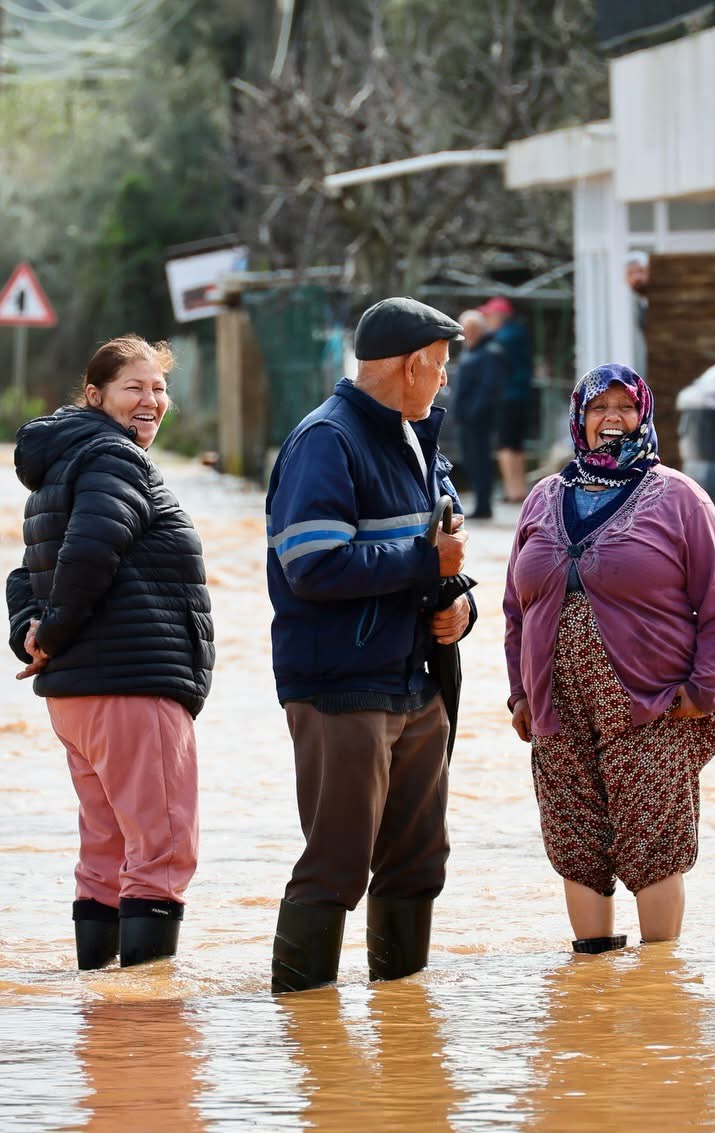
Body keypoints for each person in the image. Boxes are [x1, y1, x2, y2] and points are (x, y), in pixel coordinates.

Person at [265, 296, 475, 994]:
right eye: (439, 366)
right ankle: (307, 1038)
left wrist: (461, 605)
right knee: (336, 863)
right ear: (413, 364)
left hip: (415, 681)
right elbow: (312, 563)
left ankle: (403, 1040)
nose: (443, 380)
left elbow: (442, 550)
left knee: (419, 864)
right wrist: (427, 567)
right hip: (341, 685)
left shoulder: (415, 437)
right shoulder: (326, 441)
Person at [502, 363, 715, 954]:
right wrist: (520, 694)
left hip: (652, 705)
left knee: (652, 842)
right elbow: (514, 609)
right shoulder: (543, 497)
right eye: (598, 408)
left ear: (643, 413)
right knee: (576, 843)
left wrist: (701, 693)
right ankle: (594, 990)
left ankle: (661, 991)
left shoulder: (679, 498)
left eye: (624, 407)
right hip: (557, 707)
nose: (612, 419)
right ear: (579, 419)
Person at [5, 335, 215, 970]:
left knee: (106, 852)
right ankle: (147, 1027)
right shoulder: (114, 458)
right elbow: (92, 552)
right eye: (135, 388)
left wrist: (33, 633)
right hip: (132, 683)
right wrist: (55, 632)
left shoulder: (63, 463)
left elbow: (26, 574)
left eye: (159, 389)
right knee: (161, 853)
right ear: (95, 395)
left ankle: (100, 1014)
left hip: (78, 695)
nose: (152, 401)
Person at [479, 296, 534, 504]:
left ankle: (512, 491)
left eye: (489, 316)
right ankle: (519, 489)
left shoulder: (501, 338)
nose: (487, 320)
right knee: (517, 445)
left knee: (505, 446)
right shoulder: (519, 333)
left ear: (499, 315)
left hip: (506, 397)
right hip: (522, 395)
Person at [450, 308, 500, 519]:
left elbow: (488, 388)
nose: (467, 334)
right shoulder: (469, 351)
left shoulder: (489, 352)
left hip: (478, 419)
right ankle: (479, 504)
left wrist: (472, 413)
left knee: (481, 461)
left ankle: (484, 506)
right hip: (465, 419)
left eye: (471, 329)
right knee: (470, 461)